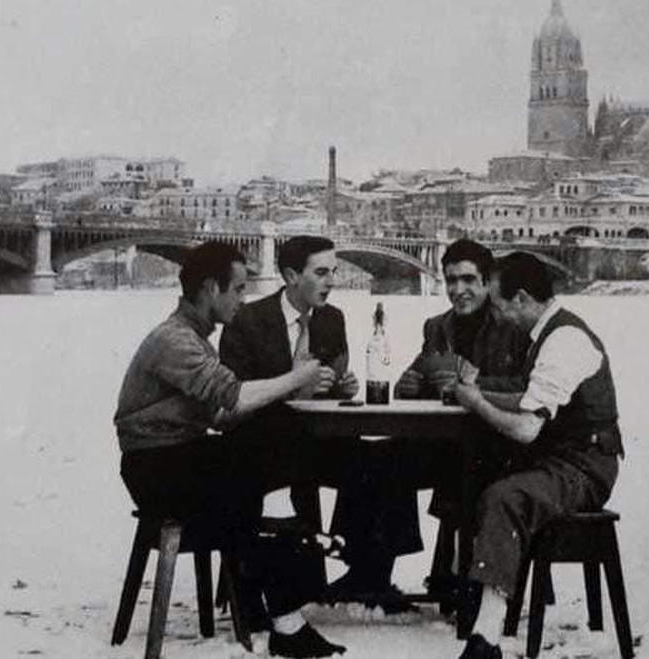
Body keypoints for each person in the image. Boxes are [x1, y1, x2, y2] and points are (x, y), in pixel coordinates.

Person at [114, 241, 346, 658]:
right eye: (237, 289)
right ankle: (292, 582)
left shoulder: (194, 338)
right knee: (273, 446)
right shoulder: (175, 340)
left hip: (174, 456)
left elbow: (221, 416)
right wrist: (297, 378)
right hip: (155, 468)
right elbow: (232, 397)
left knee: (273, 435)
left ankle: (285, 587)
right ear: (209, 289)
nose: (243, 299)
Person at [221, 236, 423, 611]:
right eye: (321, 272)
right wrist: (296, 386)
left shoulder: (333, 319)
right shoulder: (248, 320)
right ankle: (292, 586)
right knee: (304, 465)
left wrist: (343, 387)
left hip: (316, 442)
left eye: (335, 271)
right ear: (291, 275)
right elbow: (236, 397)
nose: (332, 281)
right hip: (264, 446)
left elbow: (329, 387)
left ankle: (367, 574)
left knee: (386, 459)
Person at [451, 252, 625, 659]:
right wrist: (474, 394)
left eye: (500, 305)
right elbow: (531, 399)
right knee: (477, 478)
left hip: (586, 466)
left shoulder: (565, 340)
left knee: (504, 496)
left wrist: (476, 403)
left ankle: (486, 638)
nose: (499, 316)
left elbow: (527, 428)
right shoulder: (549, 331)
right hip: (564, 459)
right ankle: (474, 607)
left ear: (523, 298)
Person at [384, 239, 530, 598]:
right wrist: (409, 385)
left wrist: (472, 385)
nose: (458, 290)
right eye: (451, 281)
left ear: (486, 282)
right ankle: (370, 572)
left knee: (470, 469)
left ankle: (469, 583)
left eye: (468, 280)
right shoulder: (437, 326)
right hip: (448, 447)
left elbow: (529, 387)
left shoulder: (513, 325)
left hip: (499, 448)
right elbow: (420, 373)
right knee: (379, 459)